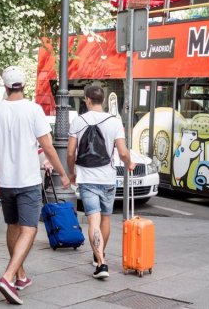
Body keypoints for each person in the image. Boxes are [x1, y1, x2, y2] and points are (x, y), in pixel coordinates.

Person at [0, 66, 69, 305]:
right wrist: (63, 173)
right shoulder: (34, 110)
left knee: (12, 225)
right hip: (28, 180)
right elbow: (48, 147)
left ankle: (20, 275)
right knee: (30, 229)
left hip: (6, 181)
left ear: (5, 86)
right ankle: (8, 277)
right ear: (23, 85)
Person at [66, 85, 136, 279]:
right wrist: (129, 163)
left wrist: (72, 173)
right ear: (103, 101)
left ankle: (101, 264)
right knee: (105, 219)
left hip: (87, 178)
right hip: (108, 178)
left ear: (87, 100)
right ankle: (100, 256)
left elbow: (71, 152)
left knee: (93, 221)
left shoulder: (78, 121)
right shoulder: (114, 122)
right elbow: (122, 152)